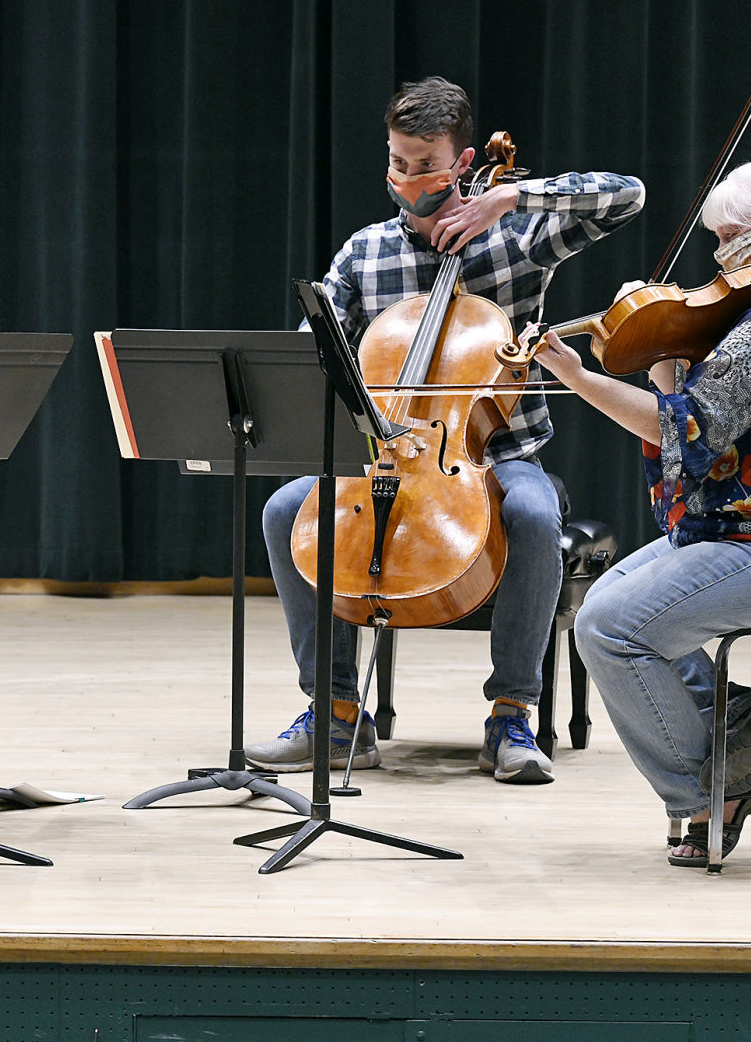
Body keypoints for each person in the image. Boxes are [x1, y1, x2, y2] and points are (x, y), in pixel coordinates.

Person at [244, 76, 646, 784]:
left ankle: (511, 713)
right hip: (386, 452)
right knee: (286, 509)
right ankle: (337, 711)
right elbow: (315, 343)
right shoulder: (366, 253)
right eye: (397, 162)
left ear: (463, 164)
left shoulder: (520, 237)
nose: (406, 179)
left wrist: (512, 196)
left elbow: (626, 193)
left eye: (424, 165)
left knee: (529, 511)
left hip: (494, 453)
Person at [534, 158, 751, 865]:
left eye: (730, 237)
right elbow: (693, 415)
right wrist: (664, 340)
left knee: (610, 629)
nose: (718, 257)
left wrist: (578, 377)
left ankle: (705, 793)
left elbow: (684, 432)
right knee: (604, 605)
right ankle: (735, 723)